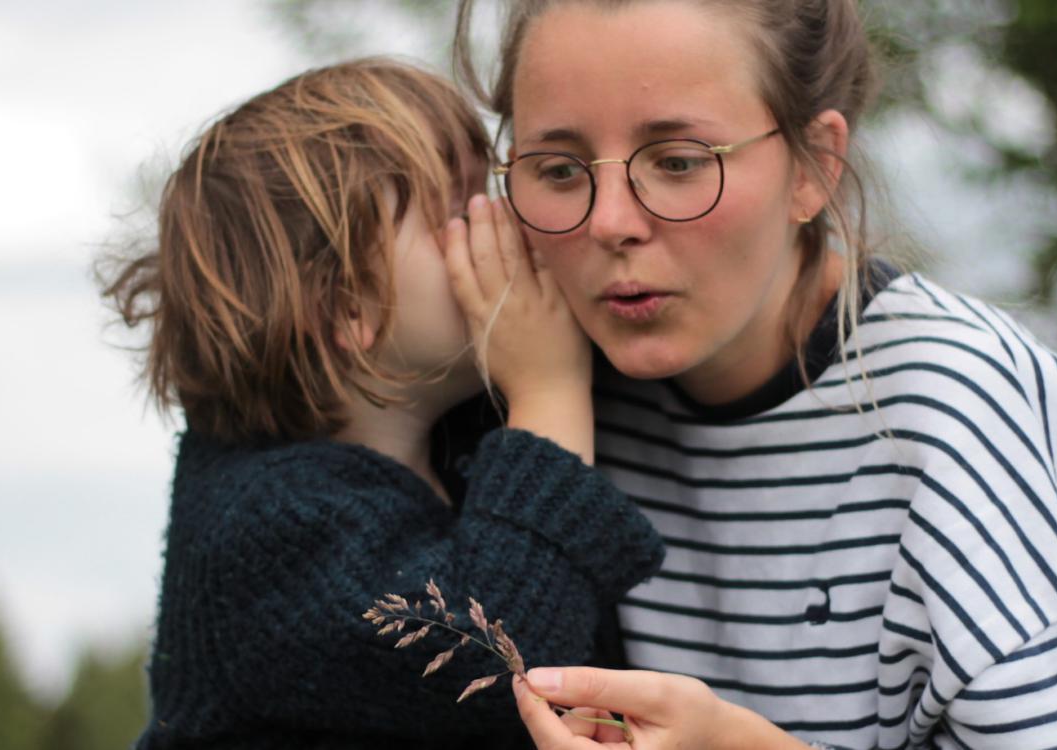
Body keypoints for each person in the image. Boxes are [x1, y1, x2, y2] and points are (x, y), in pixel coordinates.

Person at [448, 1, 1057, 747]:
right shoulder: (548, 399)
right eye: (557, 169)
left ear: (815, 166)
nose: (610, 220)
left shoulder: (962, 409)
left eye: (679, 162)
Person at [100, 58, 665, 748]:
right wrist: (549, 388)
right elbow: (507, 661)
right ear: (342, 305)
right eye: (457, 213)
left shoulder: (450, 439)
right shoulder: (260, 532)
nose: (504, 222)